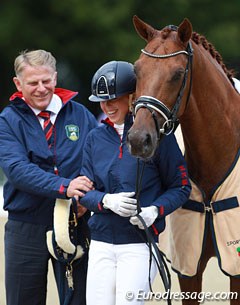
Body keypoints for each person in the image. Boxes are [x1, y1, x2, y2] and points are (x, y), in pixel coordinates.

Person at [79, 60, 192, 305]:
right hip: (100, 244)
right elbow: (84, 191)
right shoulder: (93, 138)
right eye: (101, 100)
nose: (106, 106)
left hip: (139, 245)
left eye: (113, 99)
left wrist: (155, 210)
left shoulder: (160, 138)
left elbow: (181, 187)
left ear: (132, 97)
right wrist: (104, 200)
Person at [0, 49, 98, 305]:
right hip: (25, 226)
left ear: (55, 78)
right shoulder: (7, 121)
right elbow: (17, 169)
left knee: (80, 299)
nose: (41, 88)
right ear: (18, 84)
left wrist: (85, 196)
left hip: (76, 223)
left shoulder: (81, 115)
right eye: (33, 83)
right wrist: (66, 187)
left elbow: (98, 160)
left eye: (46, 81)